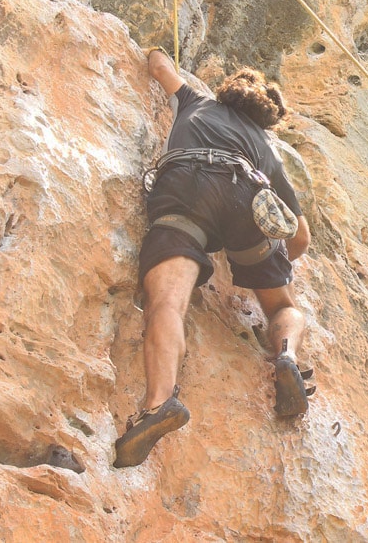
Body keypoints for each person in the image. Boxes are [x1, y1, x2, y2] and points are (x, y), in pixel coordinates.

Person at [114, 48, 312, 468]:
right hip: (246, 195)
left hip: (186, 188)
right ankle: (287, 356)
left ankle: (159, 402)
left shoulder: (194, 101)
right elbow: (300, 235)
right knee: (283, 305)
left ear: (227, 93)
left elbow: (161, 67)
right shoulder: (265, 149)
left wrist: (156, 53)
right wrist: (273, 260)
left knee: (166, 302)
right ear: (265, 118)